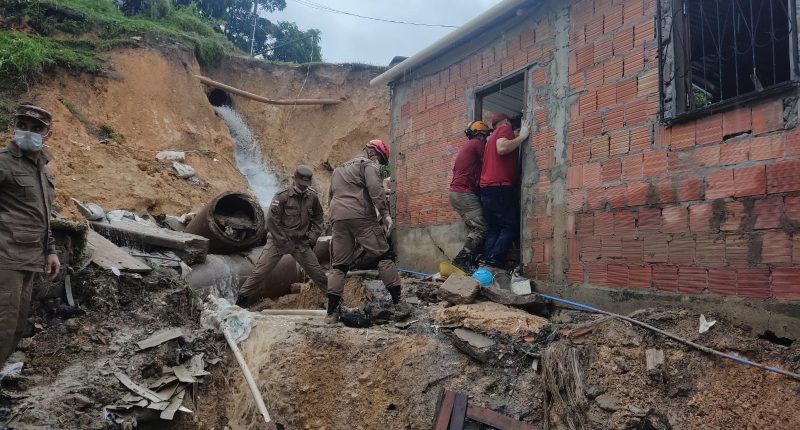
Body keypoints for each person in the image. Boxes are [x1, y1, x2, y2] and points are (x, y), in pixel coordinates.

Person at [0, 104, 61, 366]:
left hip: (30, 259)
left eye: (37, 128)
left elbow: (42, 215)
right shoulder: (3, 162)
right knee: (2, 327)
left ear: (48, 133)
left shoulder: (42, 168)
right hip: (5, 259)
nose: (28, 132)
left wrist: (51, 250)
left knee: (16, 327)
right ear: (15, 127)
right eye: (23, 126)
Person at [325, 139, 401, 324]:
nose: (379, 163)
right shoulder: (367, 165)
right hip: (361, 217)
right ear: (373, 153)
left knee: (339, 266)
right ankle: (400, 305)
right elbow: (376, 189)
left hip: (338, 219)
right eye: (380, 159)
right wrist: (385, 214)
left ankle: (331, 314)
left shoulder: (339, 169)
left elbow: (331, 196)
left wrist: (334, 220)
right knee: (384, 256)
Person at [239, 165, 327, 303]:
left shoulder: (312, 197)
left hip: (301, 243)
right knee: (260, 272)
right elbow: (272, 221)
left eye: (306, 185)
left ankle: (335, 304)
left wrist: (312, 237)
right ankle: (241, 300)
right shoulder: (282, 196)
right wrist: (284, 242)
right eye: (300, 184)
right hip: (277, 241)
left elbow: (318, 218)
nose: (303, 187)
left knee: (318, 274)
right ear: (293, 179)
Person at [479, 112, 530, 269]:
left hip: (487, 189)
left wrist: (514, 136)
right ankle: (494, 262)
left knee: (494, 229)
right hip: (500, 187)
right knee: (510, 227)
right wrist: (522, 137)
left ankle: (486, 264)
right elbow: (502, 148)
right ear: (506, 121)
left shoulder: (490, 139)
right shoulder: (505, 128)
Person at [449, 120, 491, 272]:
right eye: (485, 136)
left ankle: (470, 263)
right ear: (480, 135)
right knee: (481, 227)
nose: (485, 139)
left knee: (474, 228)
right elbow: (491, 162)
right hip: (464, 192)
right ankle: (461, 261)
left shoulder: (467, 147)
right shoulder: (476, 144)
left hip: (458, 192)